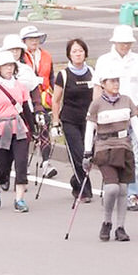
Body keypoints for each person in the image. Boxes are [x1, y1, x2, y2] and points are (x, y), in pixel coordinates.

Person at [85, 55, 138, 242]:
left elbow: (134, 121)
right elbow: (90, 128)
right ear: (103, 83)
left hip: (124, 147)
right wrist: (87, 151)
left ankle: (120, 227)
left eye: (117, 80)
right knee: (111, 189)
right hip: (104, 148)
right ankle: (107, 221)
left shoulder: (126, 100)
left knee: (124, 189)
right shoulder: (97, 104)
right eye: (112, 81)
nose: (116, 84)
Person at [103, 25, 138, 211]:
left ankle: (132, 194)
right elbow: (97, 88)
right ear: (115, 42)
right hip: (111, 115)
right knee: (114, 153)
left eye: (129, 43)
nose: (126, 46)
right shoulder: (105, 60)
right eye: (123, 43)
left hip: (134, 112)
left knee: (135, 154)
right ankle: (112, 189)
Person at [0, 50, 34, 211]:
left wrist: (33, 130)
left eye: (11, 65)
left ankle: (19, 200)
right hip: (2, 130)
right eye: (5, 66)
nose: (9, 69)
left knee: (21, 164)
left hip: (20, 129)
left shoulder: (21, 86)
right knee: (3, 167)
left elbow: (26, 109)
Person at [51, 38, 94, 203]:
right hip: (69, 120)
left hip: (89, 121)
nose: (78, 54)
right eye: (74, 51)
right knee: (78, 154)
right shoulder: (63, 75)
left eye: (81, 51)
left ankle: (76, 182)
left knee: (89, 154)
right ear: (69, 54)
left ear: (85, 53)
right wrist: (55, 123)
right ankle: (85, 191)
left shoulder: (92, 72)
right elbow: (55, 100)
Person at [18, 25, 58, 179]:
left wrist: (56, 94)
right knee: (27, 132)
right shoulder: (21, 57)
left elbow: (52, 76)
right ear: (24, 41)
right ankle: (23, 163)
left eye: (36, 38)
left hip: (44, 98)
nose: (34, 41)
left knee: (44, 129)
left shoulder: (46, 55)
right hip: (26, 99)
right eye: (30, 38)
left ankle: (47, 163)